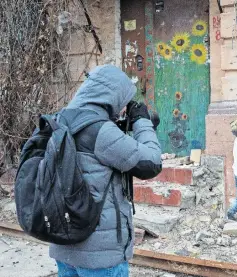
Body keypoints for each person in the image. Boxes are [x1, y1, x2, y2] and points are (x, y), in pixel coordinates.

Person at [49, 65, 162, 276]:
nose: (121, 110)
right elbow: (151, 163)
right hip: (100, 256)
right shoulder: (101, 131)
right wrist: (142, 122)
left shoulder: (58, 120)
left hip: (63, 245)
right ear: (111, 97)